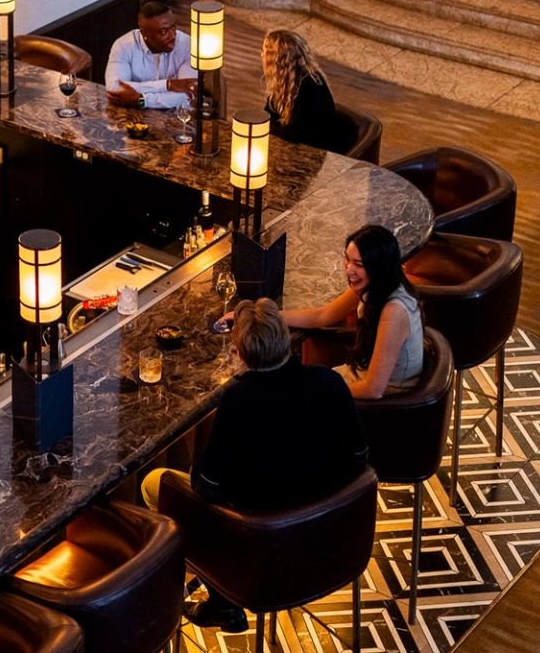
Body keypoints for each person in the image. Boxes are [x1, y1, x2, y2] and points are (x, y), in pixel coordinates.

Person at [140, 299, 367, 633]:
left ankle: (203, 598)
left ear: (241, 353)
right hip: (332, 538)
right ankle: (221, 599)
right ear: (285, 336)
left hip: (260, 544)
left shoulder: (238, 402)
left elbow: (207, 486)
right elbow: (359, 453)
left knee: (155, 484)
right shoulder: (329, 382)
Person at [283, 226, 424, 399]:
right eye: (347, 259)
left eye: (358, 264)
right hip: (362, 375)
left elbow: (373, 390)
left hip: (387, 403)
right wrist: (272, 314)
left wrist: (318, 394)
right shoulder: (376, 283)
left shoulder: (394, 311)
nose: (348, 270)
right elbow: (321, 316)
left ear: (378, 267)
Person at [105, 0, 196, 109]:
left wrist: (142, 100)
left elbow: (186, 94)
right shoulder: (123, 46)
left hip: (177, 115)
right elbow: (115, 87)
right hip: (135, 116)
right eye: (163, 32)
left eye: (173, 27)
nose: (173, 36)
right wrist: (168, 85)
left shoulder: (187, 45)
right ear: (144, 33)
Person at [261, 30, 338, 148]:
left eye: (265, 52)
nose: (262, 55)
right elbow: (269, 116)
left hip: (318, 149)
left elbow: (297, 134)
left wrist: (263, 127)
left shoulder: (310, 86)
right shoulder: (282, 81)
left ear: (276, 59)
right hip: (293, 145)